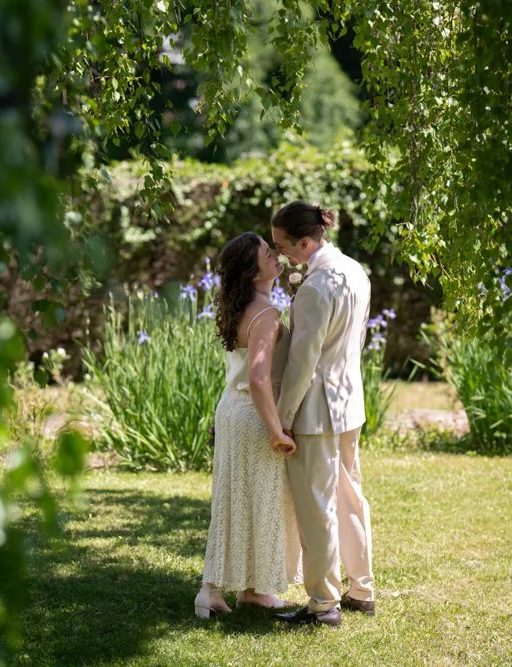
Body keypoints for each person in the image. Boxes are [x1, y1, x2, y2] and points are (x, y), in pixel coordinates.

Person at [270, 201, 376, 628]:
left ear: (306, 242)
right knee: (349, 497)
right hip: (349, 403)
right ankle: (362, 589)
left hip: (316, 410)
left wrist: (283, 417)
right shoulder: (356, 271)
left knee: (317, 508)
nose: (279, 254)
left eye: (282, 246)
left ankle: (323, 604)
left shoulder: (315, 287)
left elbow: (302, 362)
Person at [194, 232, 303, 619]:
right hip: (253, 415)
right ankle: (211, 588)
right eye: (266, 252)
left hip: (232, 411)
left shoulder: (245, 307)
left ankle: (252, 591)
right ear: (252, 270)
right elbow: (258, 379)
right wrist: (277, 432)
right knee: (253, 501)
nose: (276, 255)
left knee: (240, 501)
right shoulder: (265, 314)